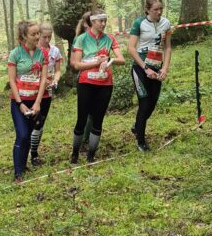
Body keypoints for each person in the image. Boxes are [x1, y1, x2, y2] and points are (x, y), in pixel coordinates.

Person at [70, 10, 125, 164]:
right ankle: (74, 154)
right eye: (100, 21)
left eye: (105, 20)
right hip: (86, 83)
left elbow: (122, 59)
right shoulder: (81, 39)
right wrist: (95, 62)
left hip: (105, 84)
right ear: (92, 22)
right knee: (81, 119)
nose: (103, 23)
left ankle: (91, 156)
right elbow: (76, 64)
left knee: (98, 120)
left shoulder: (110, 39)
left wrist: (110, 61)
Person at [127, 0, 172, 152]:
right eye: (155, 9)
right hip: (140, 68)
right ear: (147, 10)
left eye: (161, 9)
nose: (159, 12)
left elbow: (168, 48)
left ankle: (137, 126)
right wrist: (146, 68)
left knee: (152, 104)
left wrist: (164, 69)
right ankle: (141, 141)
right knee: (144, 103)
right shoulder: (139, 23)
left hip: (157, 67)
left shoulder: (166, 23)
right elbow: (131, 49)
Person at [7, 21, 48, 182]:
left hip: (35, 100)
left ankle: (23, 166)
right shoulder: (15, 54)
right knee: (22, 135)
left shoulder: (42, 52)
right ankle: (17, 172)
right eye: (33, 34)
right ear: (24, 36)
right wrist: (20, 103)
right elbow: (11, 80)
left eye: (38, 33)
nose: (37, 37)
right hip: (19, 101)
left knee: (29, 134)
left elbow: (43, 79)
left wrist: (38, 103)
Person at [30, 22, 64, 166]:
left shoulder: (55, 51)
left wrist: (55, 80)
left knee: (40, 123)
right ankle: (28, 151)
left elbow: (57, 70)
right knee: (33, 123)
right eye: (44, 37)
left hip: (47, 92)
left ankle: (34, 153)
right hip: (32, 92)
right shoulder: (33, 51)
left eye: (49, 37)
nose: (47, 40)